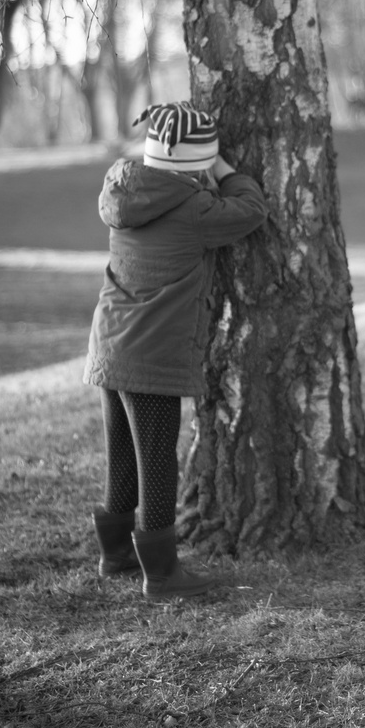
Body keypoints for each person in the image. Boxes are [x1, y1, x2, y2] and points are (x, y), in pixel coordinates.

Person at [83, 101, 268, 601]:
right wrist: (226, 171)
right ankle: (162, 575)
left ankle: (115, 553)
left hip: (110, 347)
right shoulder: (194, 210)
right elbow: (252, 210)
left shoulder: (122, 187)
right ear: (198, 164)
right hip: (153, 357)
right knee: (158, 461)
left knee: (122, 455)